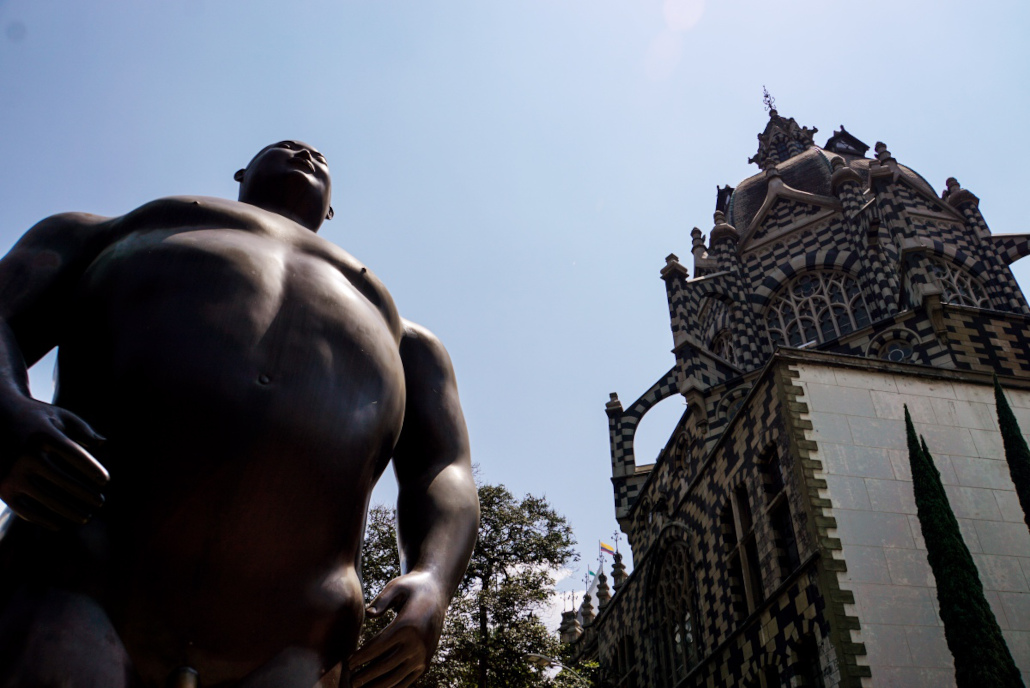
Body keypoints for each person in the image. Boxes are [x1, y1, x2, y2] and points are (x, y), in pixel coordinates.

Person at [0, 141, 479, 688]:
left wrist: (435, 578)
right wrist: (8, 409)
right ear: (240, 175)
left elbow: (443, 468)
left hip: (296, 642)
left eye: (318, 157)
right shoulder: (110, 232)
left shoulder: (405, 337)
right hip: (73, 582)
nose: (303, 150)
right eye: (280, 148)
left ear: (330, 212)